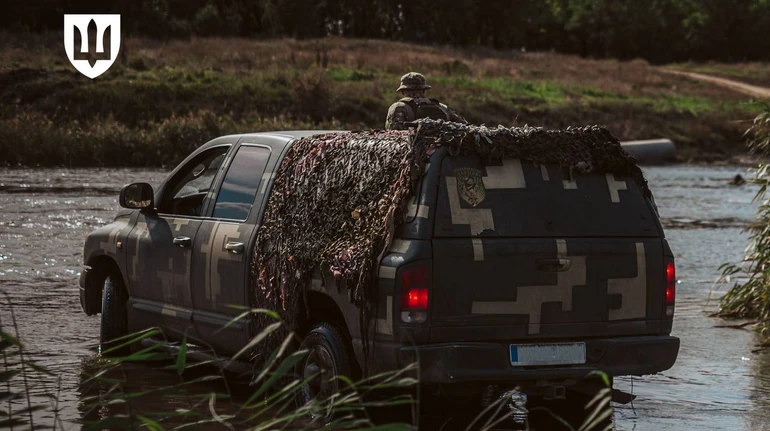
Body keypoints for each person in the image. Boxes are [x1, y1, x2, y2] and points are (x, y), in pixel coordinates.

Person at [385, 72, 467, 130]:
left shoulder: (398, 107)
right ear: (424, 90)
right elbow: (464, 125)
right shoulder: (442, 107)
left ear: (403, 91)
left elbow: (392, 132)